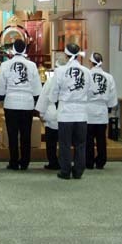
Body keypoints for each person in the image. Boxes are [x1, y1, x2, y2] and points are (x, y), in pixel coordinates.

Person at [0, 39, 42, 170]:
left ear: (13, 49)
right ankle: (25, 161)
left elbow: (1, 86)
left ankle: (13, 161)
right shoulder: (32, 65)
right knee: (25, 133)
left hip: (11, 102)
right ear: (24, 49)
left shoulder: (5, 65)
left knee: (12, 134)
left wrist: (2, 97)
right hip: (27, 103)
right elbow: (36, 89)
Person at [49, 43, 91, 180]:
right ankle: (78, 171)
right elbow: (90, 92)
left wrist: (55, 101)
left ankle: (65, 170)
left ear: (66, 55)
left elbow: (54, 92)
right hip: (81, 112)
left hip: (65, 112)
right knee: (80, 144)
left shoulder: (60, 71)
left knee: (65, 143)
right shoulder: (86, 71)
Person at [35, 52, 68, 170]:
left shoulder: (51, 80)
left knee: (51, 142)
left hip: (52, 113)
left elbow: (44, 97)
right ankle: (65, 162)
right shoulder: (70, 80)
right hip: (66, 114)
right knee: (65, 142)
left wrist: (41, 113)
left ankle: (53, 162)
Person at [86, 52, 118, 170]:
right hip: (102, 110)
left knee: (88, 138)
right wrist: (109, 106)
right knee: (101, 138)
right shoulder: (109, 77)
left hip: (88, 110)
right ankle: (101, 161)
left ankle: (88, 162)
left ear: (91, 62)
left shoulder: (87, 75)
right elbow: (112, 98)